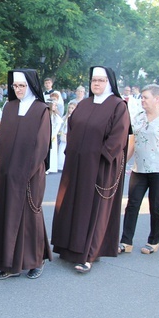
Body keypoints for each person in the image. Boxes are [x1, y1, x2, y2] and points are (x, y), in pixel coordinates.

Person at [51, 66, 130, 274]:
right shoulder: (83, 104)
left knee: (93, 209)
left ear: (110, 83)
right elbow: (73, 128)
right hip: (76, 165)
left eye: (101, 80)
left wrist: (100, 157)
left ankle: (89, 254)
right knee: (72, 205)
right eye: (94, 80)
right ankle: (68, 248)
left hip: (99, 167)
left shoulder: (117, 106)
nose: (96, 84)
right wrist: (73, 152)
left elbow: (119, 136)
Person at [0, 70, 52, 280]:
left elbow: (41, 145)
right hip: (7, 172)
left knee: (30, 215)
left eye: (22, 86)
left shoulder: (41, 109)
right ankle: (8, 263)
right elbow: (3, 142)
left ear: (31, 86)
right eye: (15, 86)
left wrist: (25, 172)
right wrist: (1, 169)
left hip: (30, 173)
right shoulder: (10, 107)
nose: (18, 90)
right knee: (7, 214)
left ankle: (36, 259)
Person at [119, 84, 159, 256]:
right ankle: (126, 241)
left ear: (157, 99)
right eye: (142, 97)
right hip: (140, 169)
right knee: (132, 204)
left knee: (156, 206)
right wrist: (124, 162)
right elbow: (133, 142)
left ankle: (153, 241)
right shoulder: (138, 117)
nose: (142, 100)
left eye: (145, 97)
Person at [47, 95, 62, 174]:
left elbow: (59, 122)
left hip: (53, 134)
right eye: (54, 105)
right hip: (47, 134)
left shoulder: (55, 115)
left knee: (52, 151)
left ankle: (51, 167)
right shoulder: (46, 114)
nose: (55, 107)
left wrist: (53, 134)